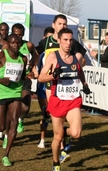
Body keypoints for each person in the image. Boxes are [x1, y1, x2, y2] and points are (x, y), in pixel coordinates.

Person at [38, 28, 91, 171]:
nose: (68, 43)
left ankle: (67, 133)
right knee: (57, 137)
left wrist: (84, 84)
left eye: (70, 40)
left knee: (77, 133)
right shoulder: (53, 57)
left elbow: (79, 71)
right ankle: (56, 163)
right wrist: (53, 75)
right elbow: (41, 77)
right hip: (58, 100)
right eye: (65, 40)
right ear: (59, 41)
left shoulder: (77, 56)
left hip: (73, 100)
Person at [36, 14, 86, 154]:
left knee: (64, 122)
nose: (62, 26)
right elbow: (36, 54)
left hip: (68, 88)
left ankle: (62, 148)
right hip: (50, 84)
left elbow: (82, 59)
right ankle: (58, 145)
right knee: (55, 117)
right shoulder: (46, 42)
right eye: (60, 24)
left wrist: (76, 68)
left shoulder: (71, 42)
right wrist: (34, 67)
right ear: (54, 25)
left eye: (65, 24)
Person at [0, 34, 28, 166]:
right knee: (1, 126)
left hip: (15, 92)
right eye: (12, 43)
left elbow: (23, 75)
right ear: (7, 44)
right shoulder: (1, 56)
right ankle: (3, 126)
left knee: (14, 121)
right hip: (2, 92)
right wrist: (0, 80)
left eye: (17, 43)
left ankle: (6, 155)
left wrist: (29, 76)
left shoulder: (23, 59)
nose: (15, 45)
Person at [9, 23, 38, 134]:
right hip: (12, 79)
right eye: (16, 34)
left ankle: (20, 119)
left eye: (20, 35)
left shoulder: (29, 45)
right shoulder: (8, 46)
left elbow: (36, 54)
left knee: (25, 107)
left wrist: (33, 65)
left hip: (25, 78)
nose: (18, 37)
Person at [36, 27, 54, 148]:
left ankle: (59, 140)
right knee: (46, 114)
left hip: (55, 87)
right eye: (48, 38)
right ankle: (42, 139)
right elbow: (35, 64)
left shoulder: (58, 54)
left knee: (56, 114)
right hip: (42, 87)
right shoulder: (41, 54)